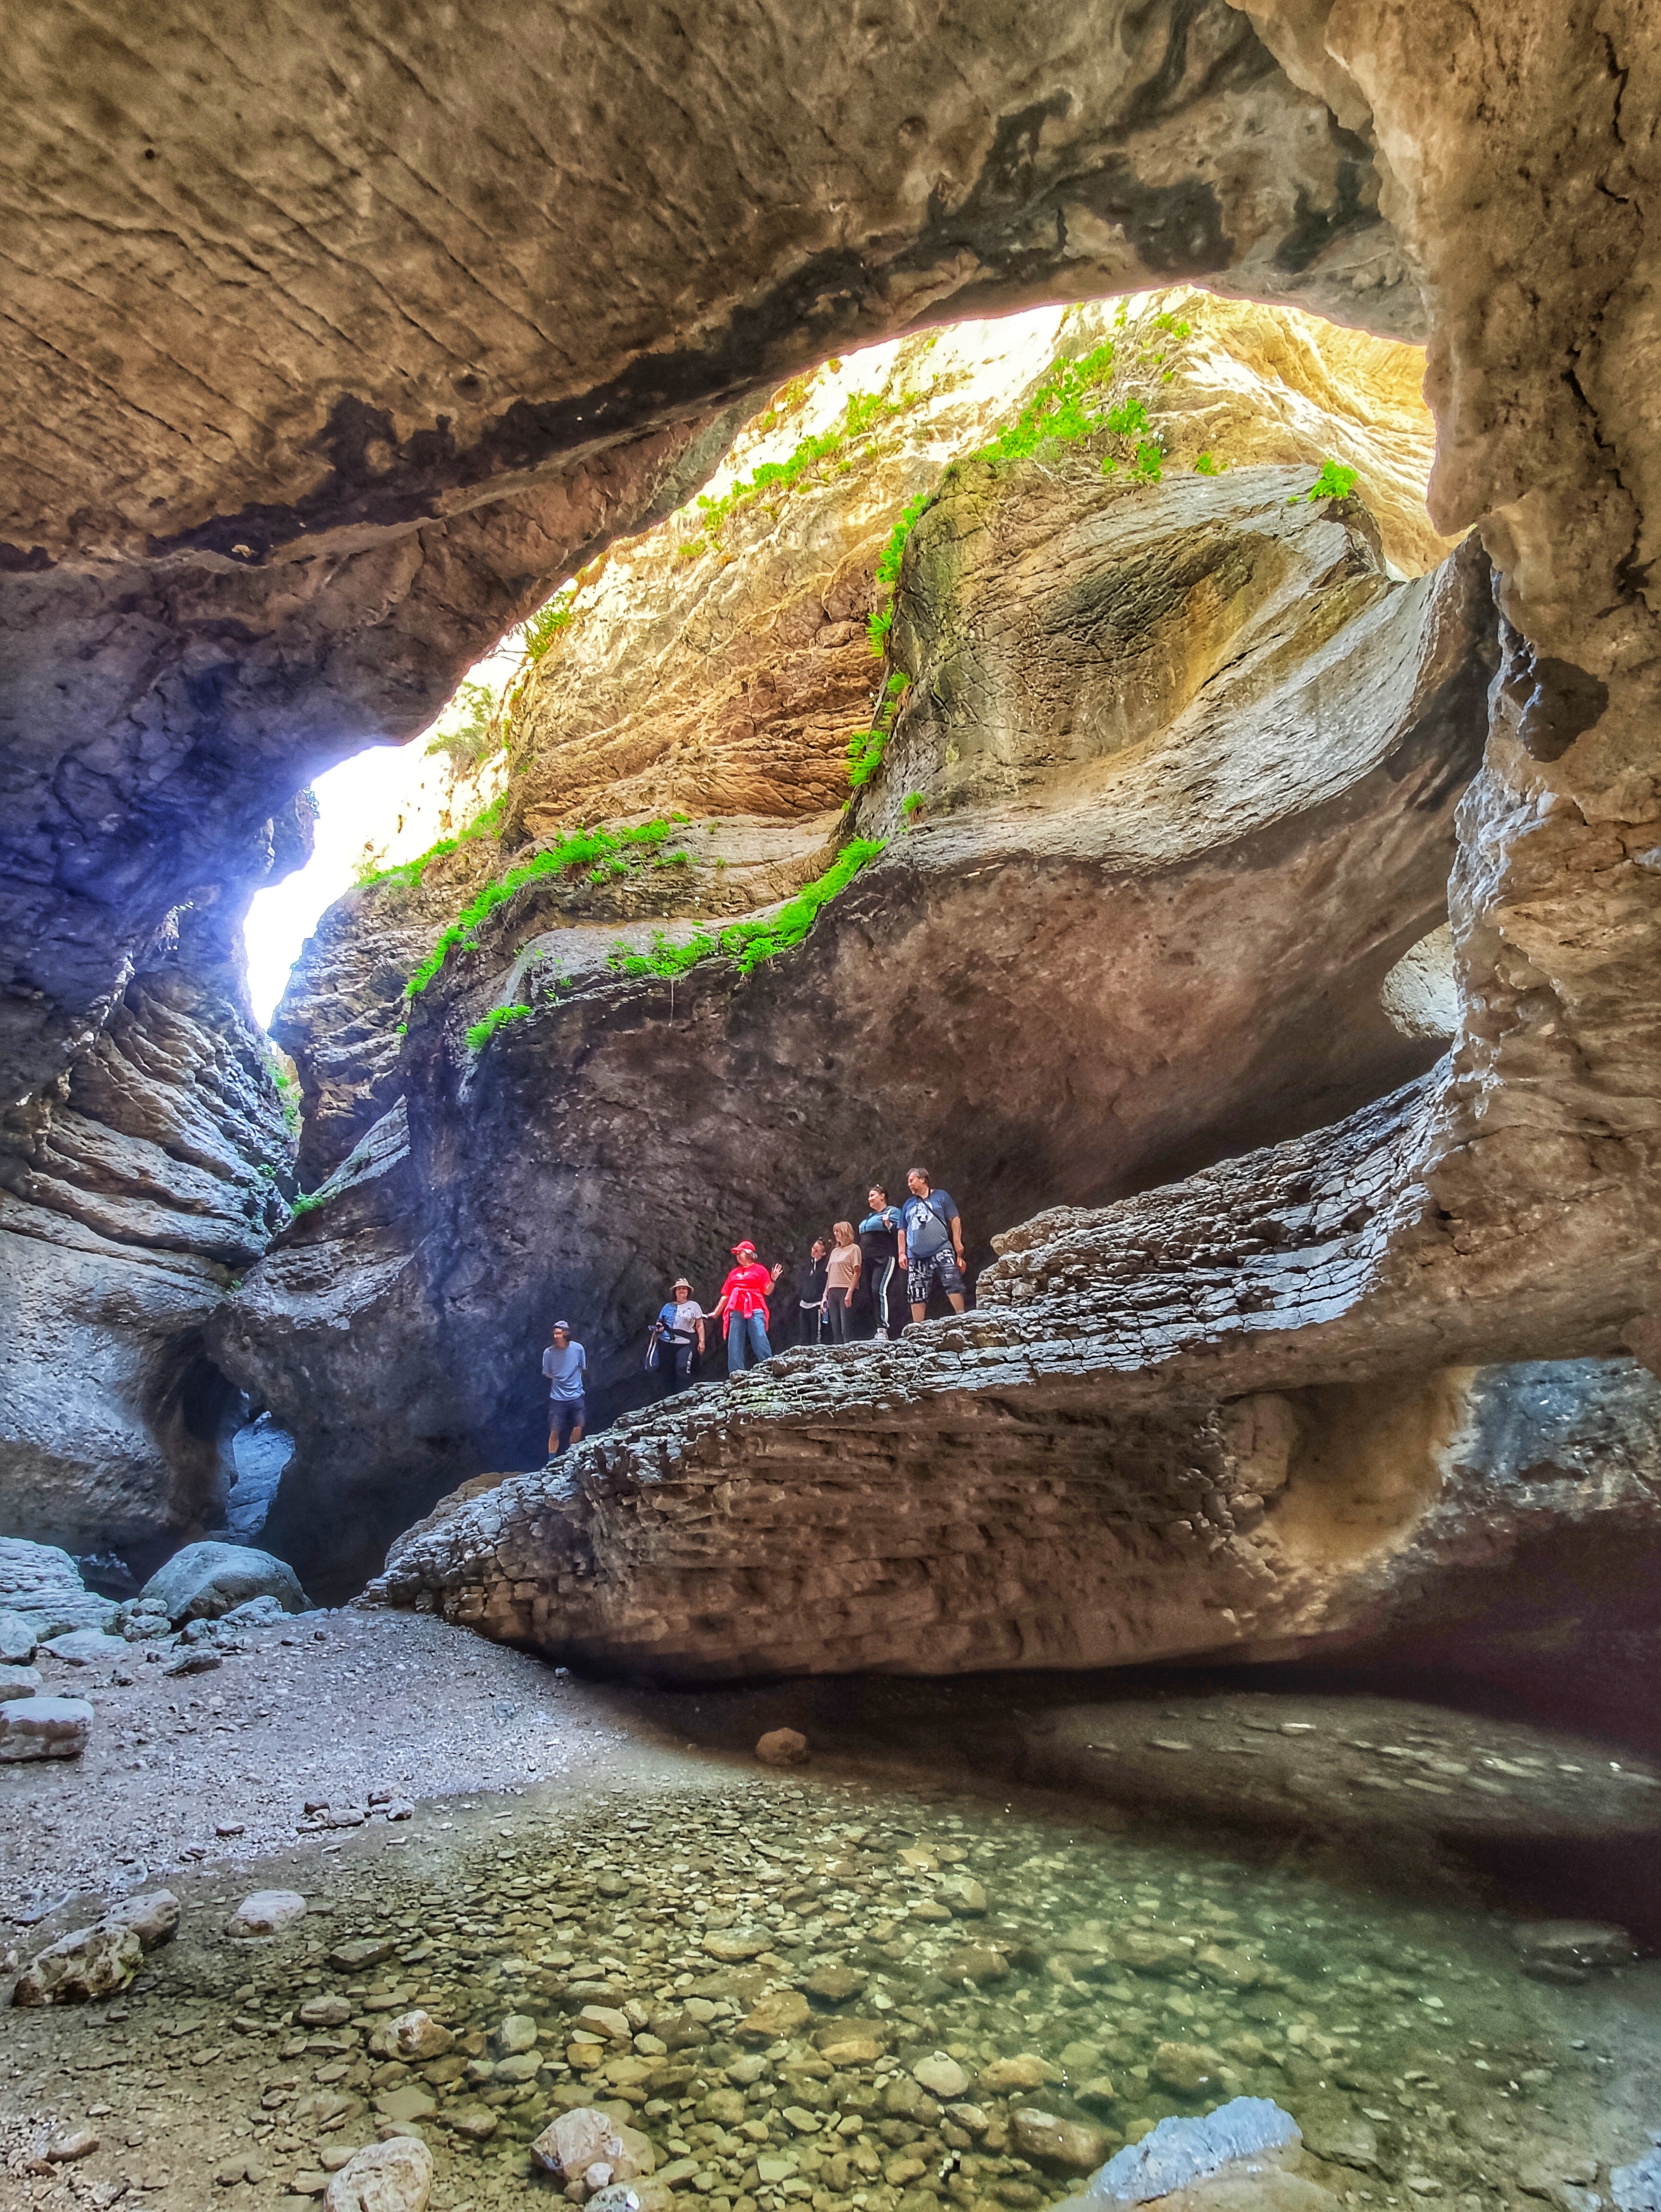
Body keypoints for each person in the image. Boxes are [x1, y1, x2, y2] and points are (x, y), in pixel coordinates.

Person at [898, 1166, 968, 1324]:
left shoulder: (941, 1196)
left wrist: (957, 1242)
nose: (909, 1185)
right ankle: (918, 1327)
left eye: (911, 1180)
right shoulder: (908, 1204)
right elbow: (902, 1230)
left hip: (942, 1248)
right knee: (916, 1289)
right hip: (916, 1255)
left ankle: (962, 1316)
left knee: (953, 1280)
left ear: (922, 1179)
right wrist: (902, 1253)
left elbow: (954, 1218)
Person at [711, 1239, 785, 1374]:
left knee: (759, 1337)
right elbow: (726, 1294)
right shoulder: (734, 1273)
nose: (738, 1256)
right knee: (734, 1342)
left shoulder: (760, 1270)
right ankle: (736, 1372)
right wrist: (716, 1312)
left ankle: (768, 1367)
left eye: (741, 1253)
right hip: (736, 1310)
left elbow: (767, 1291)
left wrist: (773, 1279)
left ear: (750, 1254)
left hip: (755, 1308)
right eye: (737, 1254)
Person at [858, 1184, 902, 1339]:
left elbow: (902, 1233)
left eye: (872, 1195)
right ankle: (878, 1328)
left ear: (882, 1196)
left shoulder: (893, 1212)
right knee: (871, 1293)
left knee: (879, 1290)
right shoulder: (869, 1217)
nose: (869, 1199)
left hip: (884, 1257)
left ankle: (883, 1329)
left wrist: (889, 1225)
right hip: (868, 1260)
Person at [651, 1276, 706, 1395]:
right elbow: (660, 1321)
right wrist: (659, 1326)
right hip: (666, 1342)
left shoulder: (694, 1306)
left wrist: (702, 1341)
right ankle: (670, 1397)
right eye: (679, 1289)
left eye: (685, 1289)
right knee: (667, 1371)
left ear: (688, 1292)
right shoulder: (668, 1307)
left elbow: (699, 1325)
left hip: (686, 1343)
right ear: (675, 1292)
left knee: (684, 1368)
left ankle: (687, 1395)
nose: (682, 1291)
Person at [542, 1320, 587, 1455]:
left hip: (576, 1395)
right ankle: (551, 1459)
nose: (556, 1336)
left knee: (579, 1425)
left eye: (559, 1333)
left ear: (566, 1334)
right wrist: (561, 1378)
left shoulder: (578, 1349)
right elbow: (547, 1373)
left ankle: (573, 1454)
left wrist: (573, 1382)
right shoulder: (549, 1353)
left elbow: (582, 1368)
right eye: (555, 1333)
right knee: (555, 1430)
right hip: (558, 1398)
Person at [823, 1220, 862, 1343]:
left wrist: (850, 1293)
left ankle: (850, 1351)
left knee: (846, 1327)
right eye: (834, 1231)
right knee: (835, 1327)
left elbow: (857, 1272)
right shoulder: (834, 1251)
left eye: (838, 1231)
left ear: (845, 1232)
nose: (835, 1234)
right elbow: (830, 1274)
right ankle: (838, 1353)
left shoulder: (855, 1249)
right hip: (833, 1291)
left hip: (846, 1289)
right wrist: (825, 1296)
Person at [794, 1239, 829, 1345]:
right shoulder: (808, 1263)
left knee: (816, 1335)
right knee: (804, 1334)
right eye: (813, 1248)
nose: (813, 1251)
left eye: (817, 1250)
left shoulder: (826, 1266)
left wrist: (824, 1299)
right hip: (804, 1303)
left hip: (817, 1304)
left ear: (823, 1253)